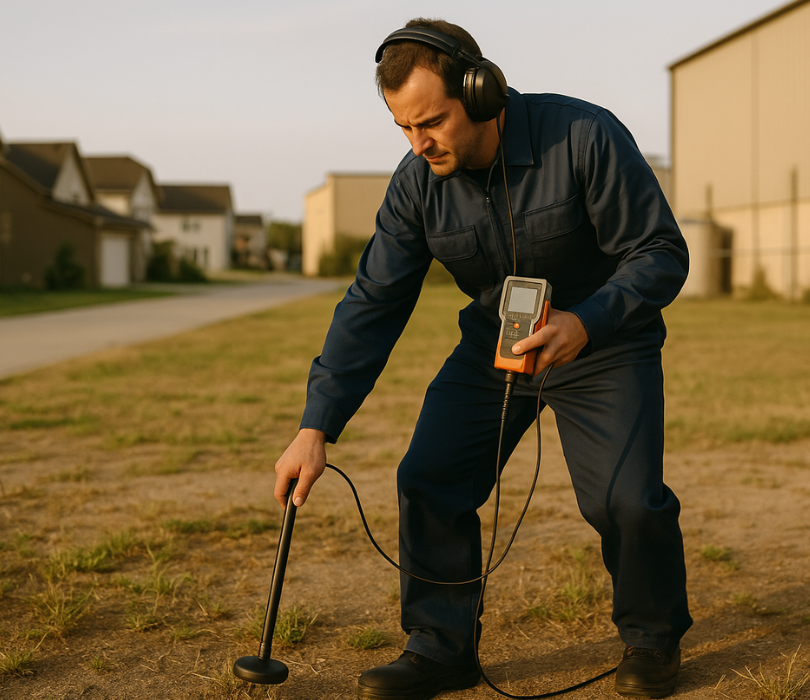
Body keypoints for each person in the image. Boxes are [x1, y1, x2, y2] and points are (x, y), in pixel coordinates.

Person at [274, 17, 692, 700]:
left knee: (627, 502)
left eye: (432, 122)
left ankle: (651, 640)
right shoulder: (415, 184)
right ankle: (441, 648)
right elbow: (371, 303)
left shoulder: (584, 136)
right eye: (404, 129)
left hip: (604, 339)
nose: (419, 144)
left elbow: (661, 254)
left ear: (480, 89)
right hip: (495, 342)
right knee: (429, 476)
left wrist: (586, 323)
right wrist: (315, 426)